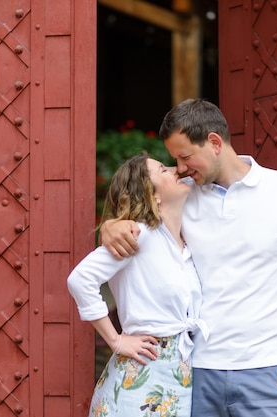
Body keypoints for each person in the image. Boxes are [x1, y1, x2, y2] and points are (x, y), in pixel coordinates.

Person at [100, 99, 277, 417]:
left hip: (269, 371)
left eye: (185, 156)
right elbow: (133, 224)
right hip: (198, 373)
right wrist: (110, 227)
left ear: (214, 143)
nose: (179, 167)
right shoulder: (182, 197)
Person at [67, 152, 209, 417]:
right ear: (151, 194)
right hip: (142, 376)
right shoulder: (138, 236)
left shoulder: (187, 244)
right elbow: (80, 279)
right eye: (163, 170)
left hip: (182, 377)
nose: (175, 169)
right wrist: (116, 340)